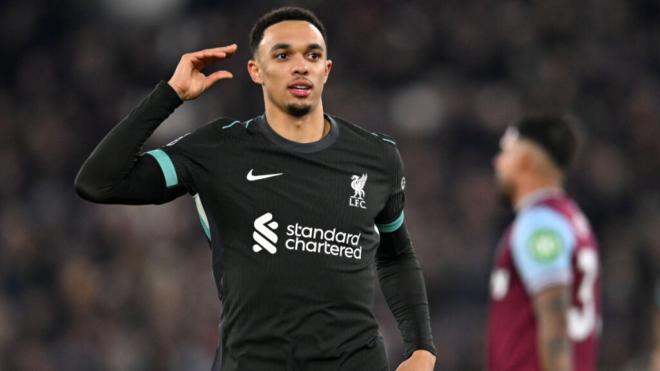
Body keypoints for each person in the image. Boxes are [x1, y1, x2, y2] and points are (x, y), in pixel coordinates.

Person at [74, 6, 436, 371]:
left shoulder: (378, 158)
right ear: (256, 70)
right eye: (282, 55)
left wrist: (421, 347)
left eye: (313, 55)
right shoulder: (217, 150)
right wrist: (169, 95)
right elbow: (99, 182)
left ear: (326, 70)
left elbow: (396, 254)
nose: (300, 66)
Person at [487, 116, 600, 371]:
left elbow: (555, 324)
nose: (497, 162)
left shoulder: (539, 224)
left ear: (525, 160)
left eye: (505, 152)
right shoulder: (570, 218)